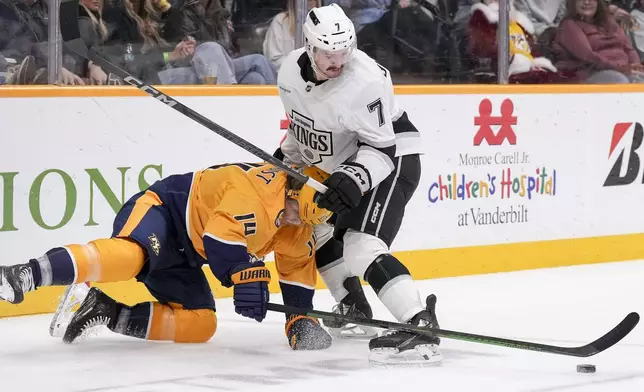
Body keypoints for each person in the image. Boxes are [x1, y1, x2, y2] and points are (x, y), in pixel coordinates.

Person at [0, 162, 333, 351]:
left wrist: (299, 319)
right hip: (163, 213)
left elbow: (296, 269)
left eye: (305, 219)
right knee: (132, 255)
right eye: (295, 212)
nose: (296, 221)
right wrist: (242, 272)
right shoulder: (256, 194)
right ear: (290, 193)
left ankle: (105, 310)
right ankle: (24, 274)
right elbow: (218, 238)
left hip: (186, 255)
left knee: (201, 324)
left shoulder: (298, 222)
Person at [274, 3, 441, 365]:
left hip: (391, 159)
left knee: (360, 244)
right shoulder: (288, 71)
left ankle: (419, 321)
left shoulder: (365, 82)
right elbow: (301, 126)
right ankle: (354, 308)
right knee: (313, 226)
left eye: (343, 52)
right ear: (308, 46)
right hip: (345, 160)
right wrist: (286, 161)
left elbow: (382, 148)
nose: (337, 61)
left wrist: (353, 178)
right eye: (327, 53)